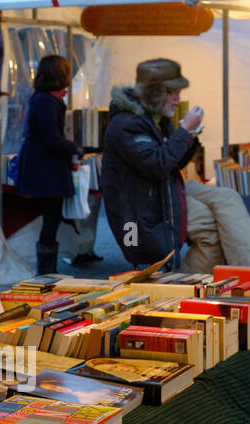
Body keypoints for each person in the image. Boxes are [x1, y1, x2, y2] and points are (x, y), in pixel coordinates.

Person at [102, 59, 204, 268]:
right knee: (210, 227)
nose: (178, 98)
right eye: (171, 92)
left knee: (223, 206)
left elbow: (173, 162)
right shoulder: (126, 124)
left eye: (178, 92)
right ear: (154, 92)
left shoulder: (156, 118)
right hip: (140, 219)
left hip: (161, 203)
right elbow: (157, 164)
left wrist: (190, 135)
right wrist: (184, 131)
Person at [17, 54, 82, 275]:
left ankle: (48, 269)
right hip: (46, 169)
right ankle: (46, 272)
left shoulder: (43, 98)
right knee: (51, 219)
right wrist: (75, 149)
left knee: (51, 218)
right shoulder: (46, 101)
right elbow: (52, 139)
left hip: (44, 167)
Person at [183, 158, 250, 273]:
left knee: (230, 196)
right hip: (157, 184)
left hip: (174, 180)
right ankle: (198, 284)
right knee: (207, 220)